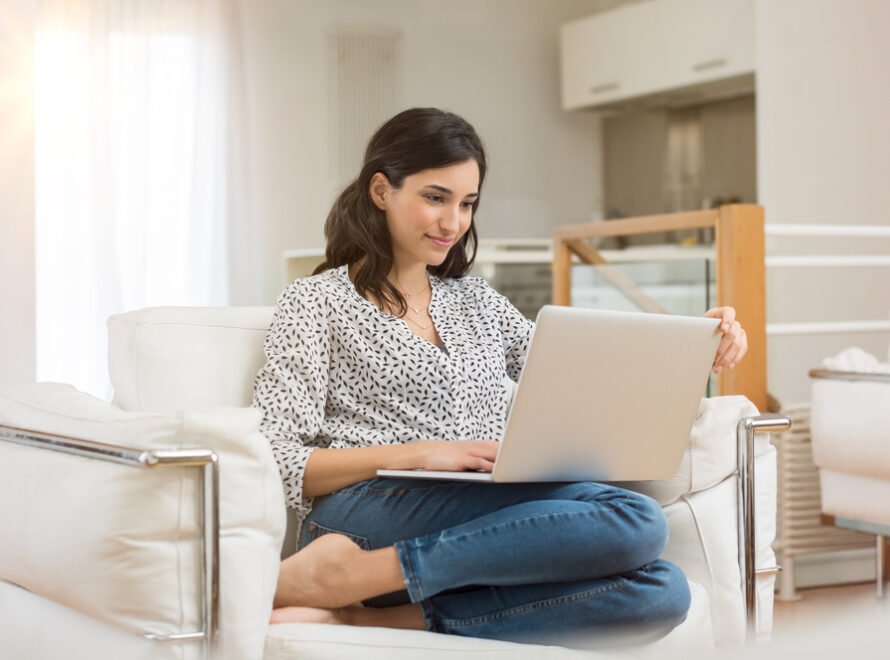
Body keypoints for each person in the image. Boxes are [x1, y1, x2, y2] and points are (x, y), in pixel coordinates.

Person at [251, 107, 748, 648]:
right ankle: (353, 569)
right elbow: (275, 459)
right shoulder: (315, 301)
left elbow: (587, 371)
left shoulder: (477, 302)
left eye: (467, 204)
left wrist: (697, 342)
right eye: (435, 197)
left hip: (486, 506)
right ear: (380, 190)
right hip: (367, 512)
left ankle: (363, 608)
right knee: (637, 519)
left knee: (662, 591)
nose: (453, 223)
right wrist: (417, 453)